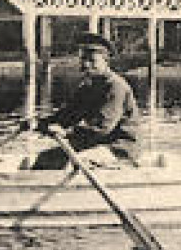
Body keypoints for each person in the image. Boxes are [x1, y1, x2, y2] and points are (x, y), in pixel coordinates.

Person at [28, 32, 140, 170]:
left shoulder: (116, 87)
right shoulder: (87, 87)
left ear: (105, 62)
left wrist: (66, 133)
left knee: (74, 164)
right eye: (83, 60)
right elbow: (67, 115)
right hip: (95, 145)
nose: (86, 65)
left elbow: (101, 127)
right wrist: (39, 123)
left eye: (92, 61)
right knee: (46, 158)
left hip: (118, 150)